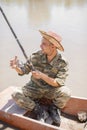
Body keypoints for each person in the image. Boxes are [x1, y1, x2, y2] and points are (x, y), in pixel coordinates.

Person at [10, 30, 71, 126]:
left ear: (53, 46)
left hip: (51, 90)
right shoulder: (36, 56)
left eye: (44, 44)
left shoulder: (62, 62)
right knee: (15, 94)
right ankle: (39, 110)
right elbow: (24, 70)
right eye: (41, 43)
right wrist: (16, 68)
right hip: (34, 88)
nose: (40, 46)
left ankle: (54, 108)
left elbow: (58, 83)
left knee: (66, 92)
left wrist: (42, 75)